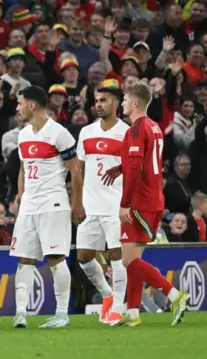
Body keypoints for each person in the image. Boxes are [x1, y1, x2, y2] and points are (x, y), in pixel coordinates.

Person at [102, 82, 189, 327]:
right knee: (134, 258)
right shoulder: (154, 127)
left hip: (140, 199)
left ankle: (174, 295)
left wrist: (125, 203)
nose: (123, 104)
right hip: (154, 197)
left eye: (126, 100)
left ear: (136, 103)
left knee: (129, 261)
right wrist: (119, 167)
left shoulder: (136, 128)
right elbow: (143, 160)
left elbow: (134, 167)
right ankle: (132, 313)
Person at [11, 86, 85, 329]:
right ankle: (21, 313)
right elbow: (23, 169)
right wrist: (21, 197)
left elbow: (75, 170)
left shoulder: (59, 133)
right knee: (25, 258)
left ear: (32, 105)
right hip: (29, 205)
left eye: (20, 103)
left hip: (53, 202)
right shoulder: (22, 135)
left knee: (55, 257)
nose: (17, 108)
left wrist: (77, 204)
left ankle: (62, 313)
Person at [75, 81, 129, 325]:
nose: (98, 104)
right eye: (96, 101)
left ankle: (118, 307)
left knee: (117, 255)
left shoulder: (126, 132)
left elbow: (134, 170)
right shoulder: (86, 132)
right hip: (91, 205)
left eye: (104, 100)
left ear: (115, 104)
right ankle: (107, 296)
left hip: (116, 204)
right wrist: (77, 201)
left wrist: (128, 204)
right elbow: (80, 169)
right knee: (84, 255)